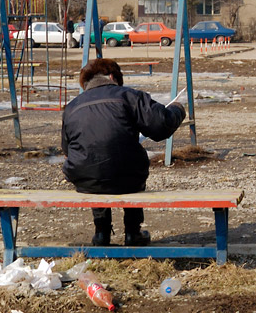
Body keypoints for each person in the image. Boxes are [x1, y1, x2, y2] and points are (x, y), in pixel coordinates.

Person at [61, 58, 186, 246]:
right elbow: (161, 125)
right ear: (112, 77)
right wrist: (177, 110)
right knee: (128, 162)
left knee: (97, 165)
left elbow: (67, 150)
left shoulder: (71, 107)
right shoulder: (129, 96)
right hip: (127, 177)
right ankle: (132, 232)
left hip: (85, 179)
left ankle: (101, 233)